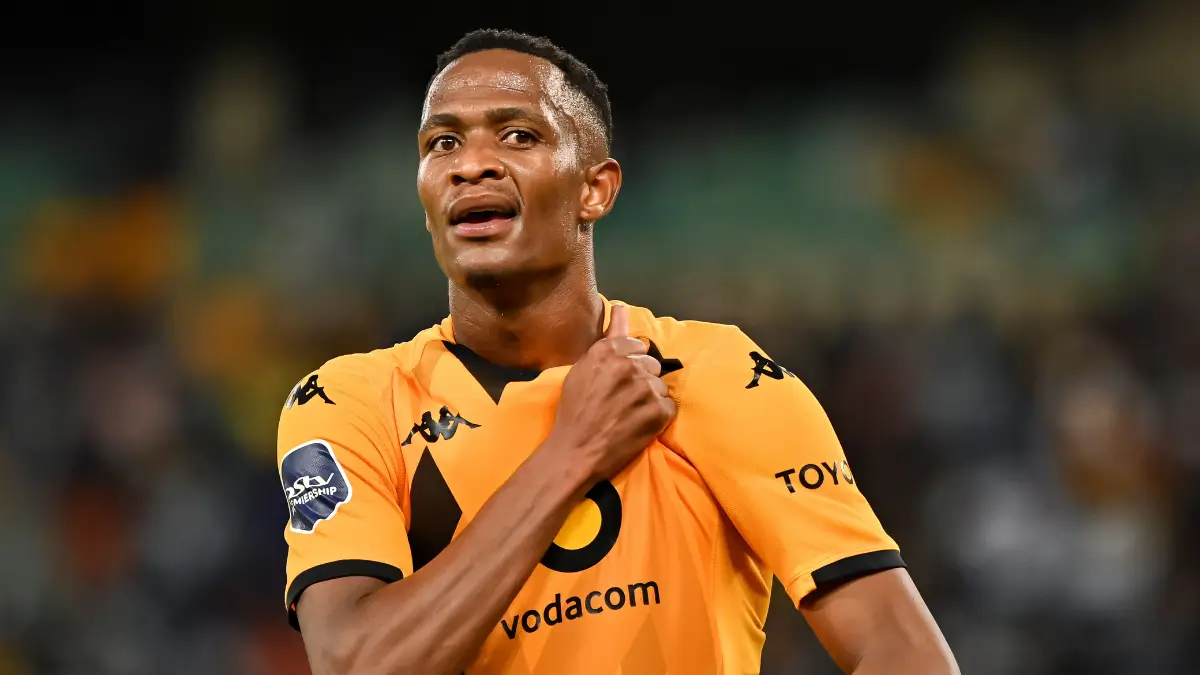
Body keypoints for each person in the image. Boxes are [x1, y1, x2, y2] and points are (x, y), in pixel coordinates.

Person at [277, 28, 958, 675]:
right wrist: (572, 451)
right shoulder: (349, 404)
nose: (471, 164)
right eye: (442, 142)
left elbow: (906, 652)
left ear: (594, 189)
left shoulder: (719, 376)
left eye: (518, 135)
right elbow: (354, 662)